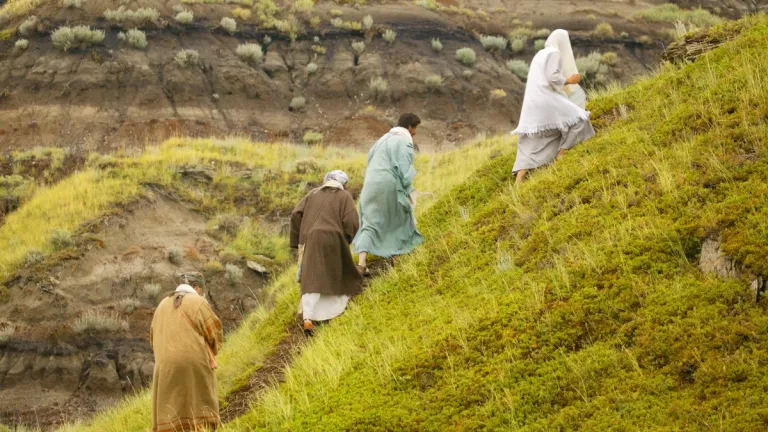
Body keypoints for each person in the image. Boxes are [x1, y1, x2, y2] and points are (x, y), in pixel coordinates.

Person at [511, 29, 595, 184]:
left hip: (532, 103)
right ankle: (561, 155)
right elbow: (552, 78)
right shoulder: (554, 53)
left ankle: (520, 178)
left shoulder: (539, 55)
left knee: (532, 138)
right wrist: (570, 80)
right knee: (579, 118)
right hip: (547, 100)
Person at [290, 170, 363, 334]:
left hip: (312, 238)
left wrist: (298, 239)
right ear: (343, 184)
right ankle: (331, 311)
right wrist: (346, 238)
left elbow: (296, 214)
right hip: (334, 238)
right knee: (334, 273)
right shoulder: (344, 197)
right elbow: (351, 220)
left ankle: (308, 318)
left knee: (311, 277)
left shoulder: (312, 194)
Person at [150, 272, 223, 432]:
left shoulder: (161, 305)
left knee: (170, 408)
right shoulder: (198, 301)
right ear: (197, 287)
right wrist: (213, 350)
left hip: (164, 367)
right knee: (200, 404)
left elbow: (152, 338)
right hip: (193, 362)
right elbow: (214, 333)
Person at [353, 113, 425, 273]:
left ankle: (361, 264)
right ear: (409, 127)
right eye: (415, 128)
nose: (415, 133)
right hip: (388, 183)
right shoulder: (404, 141)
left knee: (370, 222)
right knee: (400, 216)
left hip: (370, 185)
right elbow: (404, 168)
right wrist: (408, 189)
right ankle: (397, 254)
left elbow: (370, 159)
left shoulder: (382, 140)